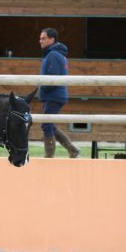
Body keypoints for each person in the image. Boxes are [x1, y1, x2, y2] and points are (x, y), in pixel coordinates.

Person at [38, 27, 80, 158]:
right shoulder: (54, 54)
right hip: (54, 95)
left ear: (52, 39)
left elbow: (52, 78)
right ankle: (71, 149)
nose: (40, 41)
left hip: (54, 95)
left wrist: (42, 88)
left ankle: (49, 155)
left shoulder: (53, 55)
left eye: (43, 38)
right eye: (40, 38)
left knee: (46, 124)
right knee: (48, 123)